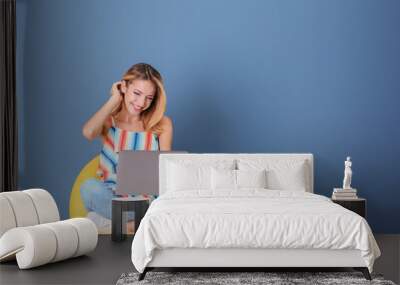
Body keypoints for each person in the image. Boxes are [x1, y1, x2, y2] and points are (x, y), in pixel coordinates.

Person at [80, 63, 173, 231]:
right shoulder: (110, 122)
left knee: (93, 219)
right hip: (113, 197)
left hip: (145, 200)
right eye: (137, 93)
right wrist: (114, 100)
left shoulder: (162, 124)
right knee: (88, 187)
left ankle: (118, 224)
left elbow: (167, 170)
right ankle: (133, 224)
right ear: (123, 86)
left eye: (149, 97)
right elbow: (88, 132)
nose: (141, 103)